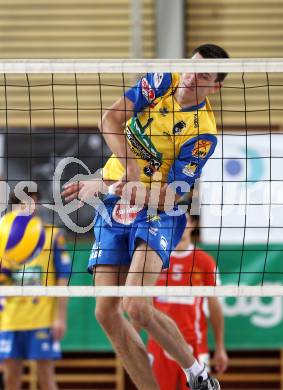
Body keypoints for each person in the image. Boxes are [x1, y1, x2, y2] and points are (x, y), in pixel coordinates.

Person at [62, 43, 229, 390]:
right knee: (105, 312)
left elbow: (172, 195)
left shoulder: (203, 132)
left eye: (203, 77)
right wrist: (129, 171)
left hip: (157, 210)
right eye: (191, 67)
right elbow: (109, 118)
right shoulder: (161, 81)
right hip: (117, 200)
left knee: (136, 307)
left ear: (215, 86)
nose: (190, 78)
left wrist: (121, 187)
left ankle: (198, 375)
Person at [147, 214, 229, 390]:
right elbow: (139, 305)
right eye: (176, 221)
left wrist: (220, 347)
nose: (181, 226)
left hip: (194, 344)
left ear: (193, 224)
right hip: (159, 343)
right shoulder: (155, 259)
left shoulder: (205, 262)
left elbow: (215, 307)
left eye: (185, 221)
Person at [0, 190, 71, 390]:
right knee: (11, 377)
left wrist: (60, 317)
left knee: (46, 378)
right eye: (22, 204)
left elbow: (63, 279)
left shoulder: (52, 234)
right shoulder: (4, 234)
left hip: (42, 318)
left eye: (32, 203)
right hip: (10, 318)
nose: (28, 207)